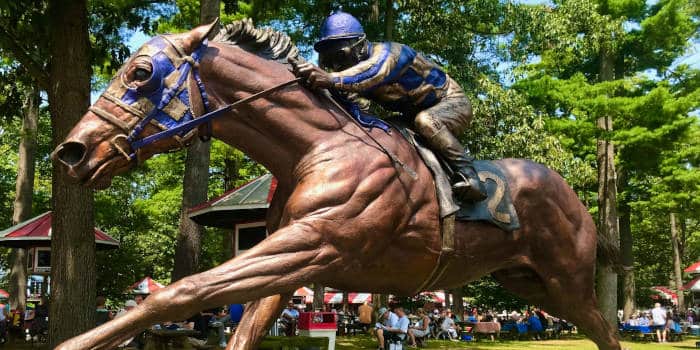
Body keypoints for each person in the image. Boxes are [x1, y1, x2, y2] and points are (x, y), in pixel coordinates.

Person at [290, 11, 487, 203]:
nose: (335, 65)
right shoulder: (348, 77)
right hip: (409, 115)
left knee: (426, 121)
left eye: (340, 56)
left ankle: (470, 175)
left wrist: (331, 79)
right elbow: (349, 103)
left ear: (359, 46)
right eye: (328, 60)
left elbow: (373, 72)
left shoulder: (392, 54)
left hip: (450, 103)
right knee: (386, 135)